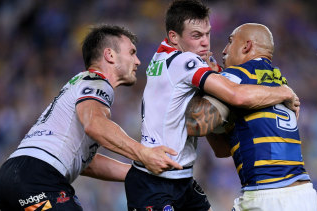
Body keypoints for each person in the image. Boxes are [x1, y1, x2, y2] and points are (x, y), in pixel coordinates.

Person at [124, 1, 300, 210]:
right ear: (174, 37)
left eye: (207, 34)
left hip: (181, 180)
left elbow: (221, 149)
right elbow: (236, 95)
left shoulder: (163, 56)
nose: (205, 43)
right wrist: (283, 92)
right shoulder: (184, 61)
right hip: (155, 182)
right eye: (196, 36)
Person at [0, 24, 183, 211]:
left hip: (14, 178)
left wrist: (138, 173)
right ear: (110, 55)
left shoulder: (81, 84)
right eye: (132, 52)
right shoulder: (97, 82)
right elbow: (95, 125)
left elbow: (85, 163)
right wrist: (144, 153)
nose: (138, 61)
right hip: (37, 178)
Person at [185, 23, 317, 211]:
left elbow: (196, 122)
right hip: (303, 194)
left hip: (268, 194)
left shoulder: (237, 76)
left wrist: (206, 82)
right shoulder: (278, 79)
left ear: (246, 46)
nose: (224, 50)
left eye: (230, 42)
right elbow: (222, 150)